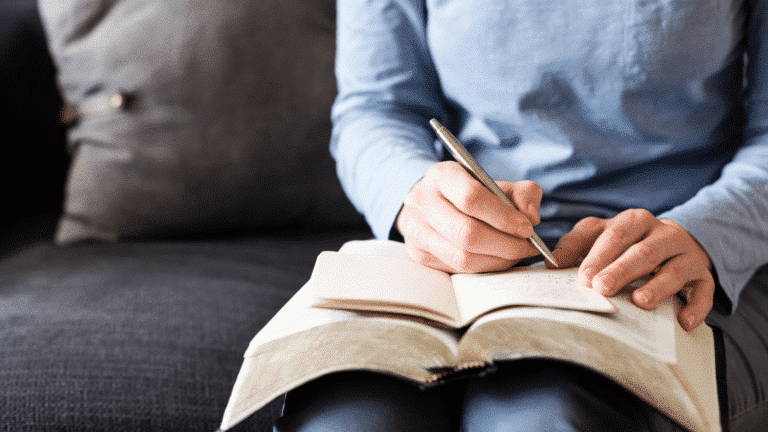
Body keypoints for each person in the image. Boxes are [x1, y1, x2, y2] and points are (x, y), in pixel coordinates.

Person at [274, 1, 768, 431]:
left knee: (543, 415)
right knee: (352, 417)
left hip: (682, 262)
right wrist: (413, 195)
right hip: (458, 268)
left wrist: (702, 233)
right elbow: (377, 108)